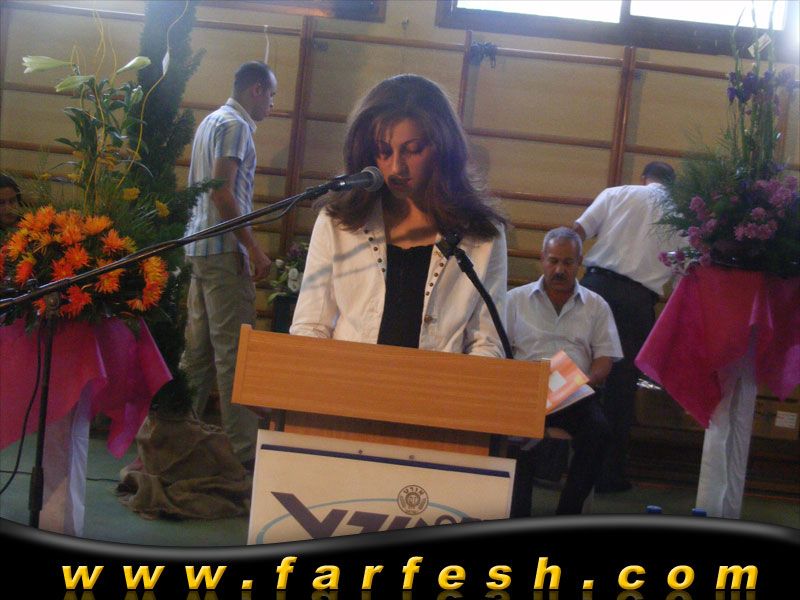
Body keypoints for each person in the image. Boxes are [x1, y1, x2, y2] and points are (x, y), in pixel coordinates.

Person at [290, 73, 508, 358]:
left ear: (443, 147)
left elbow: (486, 343)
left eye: (413, 150)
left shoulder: (482, 234)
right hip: (349, 381)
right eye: (383, 151)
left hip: (438, 384)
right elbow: (310, 326)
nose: (396, 168)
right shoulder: (338, 222)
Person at [180, 61, 277, 468]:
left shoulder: (210, 122)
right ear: (256, 89)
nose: (272, 104)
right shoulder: (236, 126)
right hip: (223, 250)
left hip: (198, 248)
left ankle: (174, 440)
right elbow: (222, 191)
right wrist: (253, 248)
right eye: (270, 94)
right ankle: (244, 457)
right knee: (235, 356)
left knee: (197, 354)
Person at [573, 161, 677, 493]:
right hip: (637, 300)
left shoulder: (617, 193)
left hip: (594, 288)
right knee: (620, 389)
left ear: (644, 178)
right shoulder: (681, 215)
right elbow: (685, 268)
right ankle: (608, 475)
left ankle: (553, 461)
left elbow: (576, 232)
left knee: (573, 372)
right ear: (672, 184)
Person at [506, 227, 622, 516]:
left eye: (568, 262)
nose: (560, 269)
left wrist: (583, 382)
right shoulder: (514, 300)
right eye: (554, 261)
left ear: (579, 262)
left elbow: (605, 359)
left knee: (599, 432)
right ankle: (518, 514)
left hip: (574, 394)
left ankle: (568, 512)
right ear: (542, 259)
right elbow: (497, 348)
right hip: (526, 391)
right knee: (512, 433)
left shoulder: (596, 305)